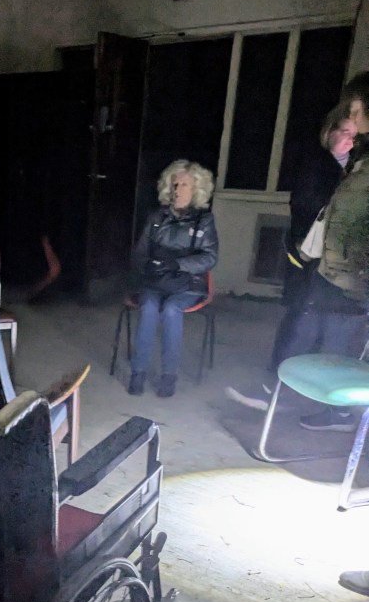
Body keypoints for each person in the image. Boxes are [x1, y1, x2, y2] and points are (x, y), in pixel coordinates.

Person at [225, 107, 357, 411]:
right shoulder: (316, 164)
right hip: (314, 257)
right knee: (300, 321)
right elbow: (305, 205)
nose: (349, 140)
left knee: (332, 329)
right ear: (329, 132)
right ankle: (279, 389)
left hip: (346, 267)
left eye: (355, 134)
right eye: (344, 132)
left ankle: (328, 406)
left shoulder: (358, 169)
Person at [127, 160, 218, 398]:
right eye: (175, 184)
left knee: (170, 310)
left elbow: (210, 258)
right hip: (156, 281)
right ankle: (138, 373)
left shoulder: (204, 221)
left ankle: (169, 375)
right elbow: (140, 252)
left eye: (185, 185)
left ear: (196, 189)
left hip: (187, 284)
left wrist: (178, 264)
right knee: (148, 307)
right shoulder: (157, 217)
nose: (178, 190)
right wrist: (149, 268)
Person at [296, 151, 369, 431]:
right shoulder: (357, 167)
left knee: (338, 346)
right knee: (327, 341)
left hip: (353, 279)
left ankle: (339, 414)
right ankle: (334, 410)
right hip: (335, 271)